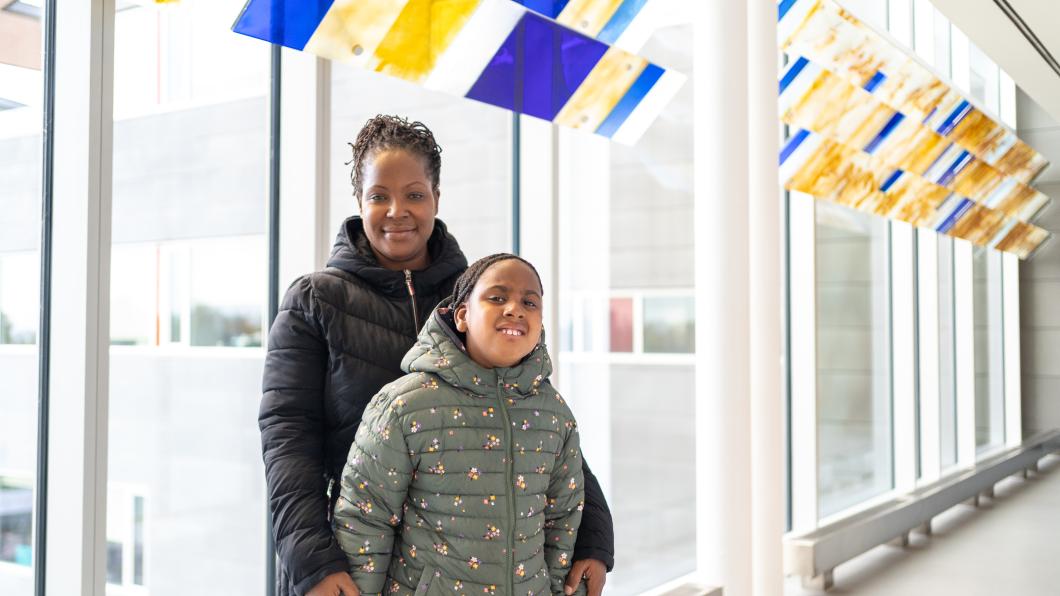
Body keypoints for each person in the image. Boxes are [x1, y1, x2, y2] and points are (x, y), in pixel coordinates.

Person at [260, 115, 613, 596]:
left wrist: (593, 536)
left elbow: (533, 416)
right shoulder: (316, 300)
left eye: (415, 194)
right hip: (348, 557)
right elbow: (287, 437)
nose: (396, 211)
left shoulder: (482, 297)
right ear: (359, 202)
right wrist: (312, 560)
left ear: (437, 198)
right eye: (379, 195)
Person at [334, 253, 585, 596]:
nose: (515, 308)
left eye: (530, 302)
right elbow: (365, 518)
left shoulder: (554, 414)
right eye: (497, 297)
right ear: (463, 315)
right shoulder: (405, 405)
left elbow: (563, 519)